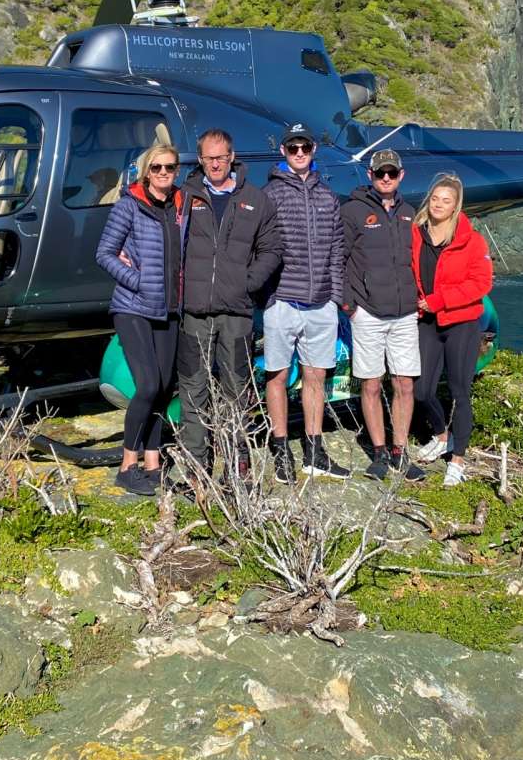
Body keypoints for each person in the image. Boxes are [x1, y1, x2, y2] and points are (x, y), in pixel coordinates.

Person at [176, 129, 281, 476]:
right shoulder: (186, 197)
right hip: (195, 312)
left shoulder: (255, 198)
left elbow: (272, 249)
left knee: (237, 389)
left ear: (232, 156)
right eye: (209, 158)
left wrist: (247, 285)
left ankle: (239, 461)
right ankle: (196, 463)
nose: (215, 163)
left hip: (236, 312)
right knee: (194, 387)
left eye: (221, 157)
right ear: (201, 159)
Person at [95, 143, 185, 495]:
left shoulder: (181, 205)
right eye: (157, 168)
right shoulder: (128, 206)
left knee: (163, 388)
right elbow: (103, 252)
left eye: (170, 168)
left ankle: (153, 462)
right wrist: (137, 280)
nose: (164, 173)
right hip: (133, 307)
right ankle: (126, 465)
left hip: (170, 309)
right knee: (147, 385)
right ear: (147, 171)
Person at [262, 122, 348, 482]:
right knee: (278, 376)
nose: (299, 153)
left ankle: (314, 450)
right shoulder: (270, 194)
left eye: (305, 148)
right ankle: (281, 449)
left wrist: (336, 297)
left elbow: (337, 249)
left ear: (314, 150)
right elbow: (261, 247)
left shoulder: (328, 197)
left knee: (316, 376)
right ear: (283, 151)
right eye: (293, 148)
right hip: (282, 301)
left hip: (321, 303)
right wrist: (266, 295)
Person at [340, 149, 424, 481]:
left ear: (401, 175)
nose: (385, 178)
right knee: (372, 384)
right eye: (379, 173)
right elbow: (338, 259)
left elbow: (420, 260)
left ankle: (400, 451)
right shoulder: (352, 212)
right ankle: (378, 453)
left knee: (404, 384)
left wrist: (421, 298)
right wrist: (350, 306)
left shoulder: (410, 213)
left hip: (404, 313)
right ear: (370, 175)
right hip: (368, 314)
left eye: (391, 172)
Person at [409, 173, 493, 486]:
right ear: (428, 200)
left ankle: (457, 459)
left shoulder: (471, 239)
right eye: (435, 199)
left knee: (459, 391)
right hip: (427, 321)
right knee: (422, 390)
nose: (439, 205)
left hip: (461, 322)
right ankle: (441, 435)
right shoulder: (416, 233)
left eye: (447, 201)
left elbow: (482, 283)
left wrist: (439, 300)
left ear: (456, 205)